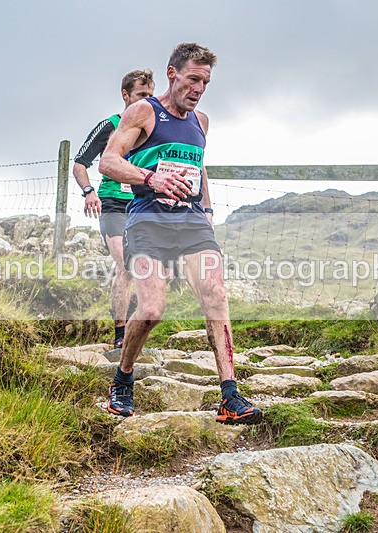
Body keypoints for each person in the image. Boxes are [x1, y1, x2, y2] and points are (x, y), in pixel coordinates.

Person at [98, 43, 262, 425]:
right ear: (171, 74)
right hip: (147, 220)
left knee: (216, 295)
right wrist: (151, 178)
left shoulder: (201, 122)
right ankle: (123, 378)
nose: (199, 89)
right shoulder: (143, 112)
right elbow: (108, 161)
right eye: (192, 79)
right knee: (152, 310)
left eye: (205, 82)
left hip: (191, 221)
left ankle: (230, 395)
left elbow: (199, 168)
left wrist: (208, 211)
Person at [73, 69, 155, 349]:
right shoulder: (110, 125)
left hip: (143, 203)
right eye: (141, 95)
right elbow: (80, 163)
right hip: (113, 203)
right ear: (125, 95)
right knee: (125, 265)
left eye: (150, 95)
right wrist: (89, 192)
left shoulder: (153, 127)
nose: (146, 100)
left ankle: (137, 330)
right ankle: (121, 334)